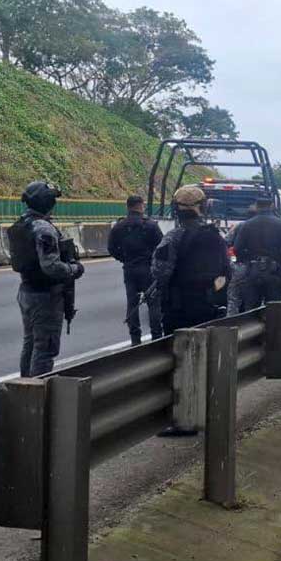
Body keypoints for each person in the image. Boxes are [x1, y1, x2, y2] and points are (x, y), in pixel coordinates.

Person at [149, 185, 229, 437]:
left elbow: (160, 272)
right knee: (206, 360)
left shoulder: (174, 238)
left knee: (181, 363)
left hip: (180, 309)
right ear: (202, 208)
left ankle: (184, 418)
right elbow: (228, 270)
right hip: (210, 307)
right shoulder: (216, 236)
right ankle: (209, 411)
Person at [7, 180, 85, 377]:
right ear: (47, 203)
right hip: (45, 296)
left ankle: (24, 387)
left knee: (31, 343)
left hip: (26, 291)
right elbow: (51, 266)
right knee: (45, 348)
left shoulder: (21, 224)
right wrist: (74, 269)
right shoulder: (44, 229)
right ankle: (37, 394)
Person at [108, 195, 164, 345]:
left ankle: (135, 339)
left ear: (127, 207)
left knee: (132, 303)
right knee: (153, 303)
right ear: (141, 206)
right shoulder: (151, 225)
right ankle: (156, 336)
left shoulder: (119, 226)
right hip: (148, 269)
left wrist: (123, 259)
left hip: (130, 268)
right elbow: (162, 248)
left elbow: (111, 248)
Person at [233, 195, 281, 308]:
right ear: (271, 206)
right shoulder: (279, 223)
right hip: (274, 271)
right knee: (274, 310)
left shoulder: (247, 224)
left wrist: (248, 259)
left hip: (253, 270)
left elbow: (237, 249)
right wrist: (279, 260)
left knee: (251, 311)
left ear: (256, 206)